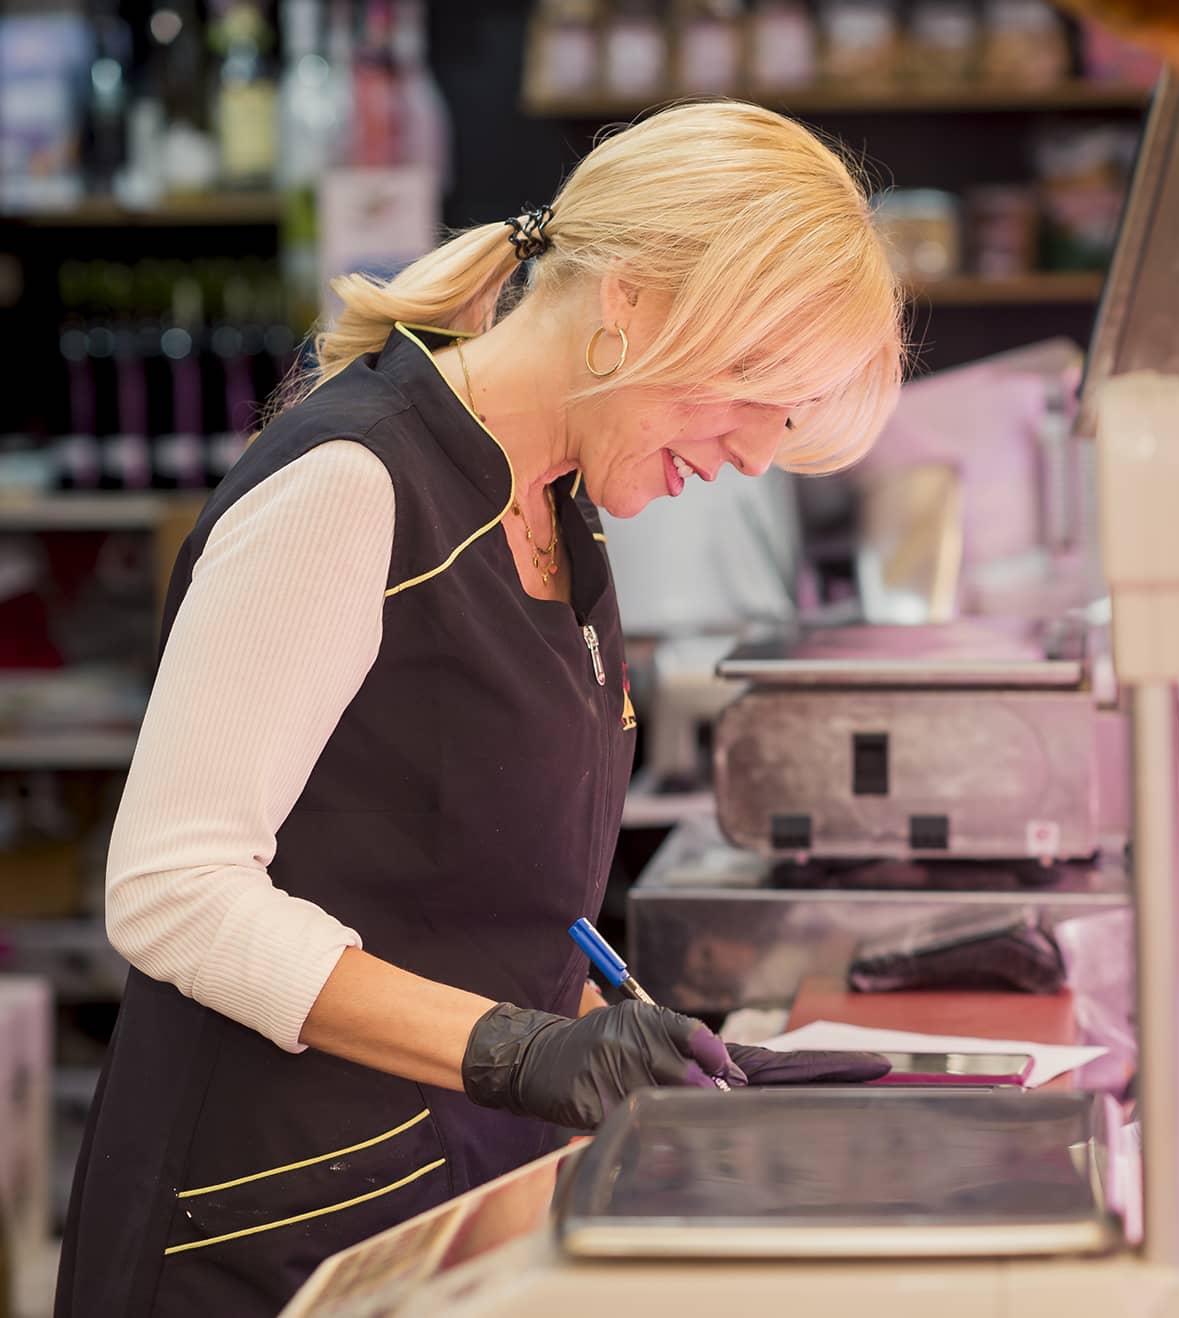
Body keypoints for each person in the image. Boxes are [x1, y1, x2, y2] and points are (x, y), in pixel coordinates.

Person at [57, 101, 903, 1317]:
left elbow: (475, 877)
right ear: (632, 305)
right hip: (265, 1231)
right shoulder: (354, 487)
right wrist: (525, 1051)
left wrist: (649, 1049)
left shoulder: (558, 509)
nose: (755, 459)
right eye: (754, 398)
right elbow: (171, 891)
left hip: (445, 1203)